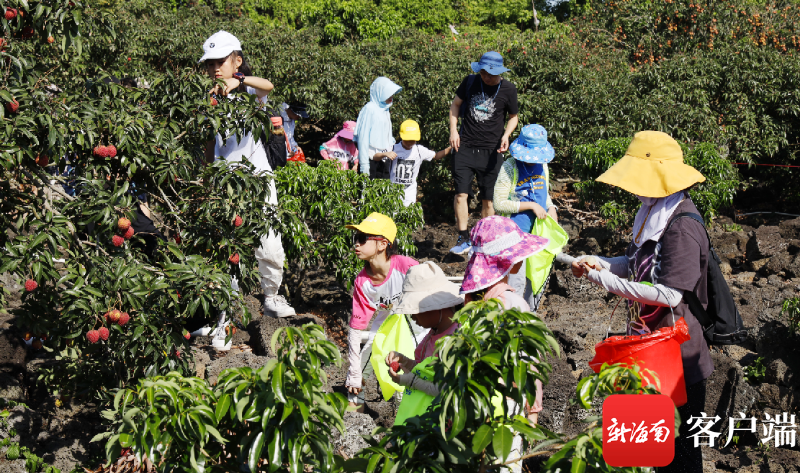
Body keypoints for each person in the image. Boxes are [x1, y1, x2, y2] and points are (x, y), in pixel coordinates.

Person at [570, 131, 714, 473]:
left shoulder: (681, 226)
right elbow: (637, 264)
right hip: (646, 349)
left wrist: (607, 282)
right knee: (641, 449)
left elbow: (670, 294)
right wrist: (601, 263)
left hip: (677, 358)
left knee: (678, 457)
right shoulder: (652, 211)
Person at [198, 30, 296, 351]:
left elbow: (268, 85)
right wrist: (207, 179)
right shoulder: (209, 99)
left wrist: (238, 81)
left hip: (258, 179)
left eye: (221, 61)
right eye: (210, 63)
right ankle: (225, 318)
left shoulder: (249, 91)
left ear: (237, 61)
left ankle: (272, 296)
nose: (215, 68)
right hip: (226, 183)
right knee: (230, 251)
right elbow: (209, 142)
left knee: (270, 242)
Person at [460, 215, 550, 425]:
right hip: (507, 400)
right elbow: (528, 360)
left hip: (472, 398)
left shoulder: (471, 302)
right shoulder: (514, 304)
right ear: (509, 259)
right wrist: (533, 409)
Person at [345, 212, 418, 411]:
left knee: (414, 372)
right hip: (386, 328)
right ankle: (355, 415)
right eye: (355, 238)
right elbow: (356, 330)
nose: (356, 244)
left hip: (418, 327)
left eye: (362, 238)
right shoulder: (363, 282)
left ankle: (406, 411)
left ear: (382, 244)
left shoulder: (406, 266)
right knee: (358, 372)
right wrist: (354, 373)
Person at [448, 52, 519, 255]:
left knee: (489, 199)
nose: (486, 77)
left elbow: (513, 116)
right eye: (483, 73)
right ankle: (463, 237)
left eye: (491, 74)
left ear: (499, 72)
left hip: (492, 151)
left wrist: (506, 135)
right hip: (464, 147)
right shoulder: (470, 82)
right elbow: (455, 105)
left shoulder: (508, 89)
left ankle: (484, 241)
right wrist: (453, 131)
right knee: (461, 194)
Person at [384, 261, 464, 425]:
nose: (413, 316)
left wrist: (411, 381)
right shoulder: (434, 332)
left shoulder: (456, 339)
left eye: (416, 310)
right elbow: (425, 371)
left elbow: (448, 390)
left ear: (437, 307)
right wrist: (405, 361)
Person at [494, 124, 558, 310]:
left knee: (536, 279)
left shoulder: (543, 165)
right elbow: (499, 203)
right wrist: (531, 205)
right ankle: (513, 318)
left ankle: (530, 318)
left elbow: (543, 193)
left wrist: (551, 207)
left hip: (539, 232)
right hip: (515, 234)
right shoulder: (510, 167)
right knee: (517, 281)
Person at [389, 120, 452, 206]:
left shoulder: (419, 150)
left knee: (408, 212)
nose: (409, 143)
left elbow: (436, 156)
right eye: (407, 140)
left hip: (409, 192)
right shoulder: (393, 148)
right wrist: (385, 154)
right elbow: (376, 157)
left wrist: (450, 148)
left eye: (412, 140)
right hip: (393, 190)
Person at [354, 77, 402, 180]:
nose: (391, 97)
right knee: (368, 189)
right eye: (388, 93)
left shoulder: (385, 109)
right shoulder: (369, 108)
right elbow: (363, 138)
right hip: (370, 160)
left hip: (385, 159)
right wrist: (364, 165)